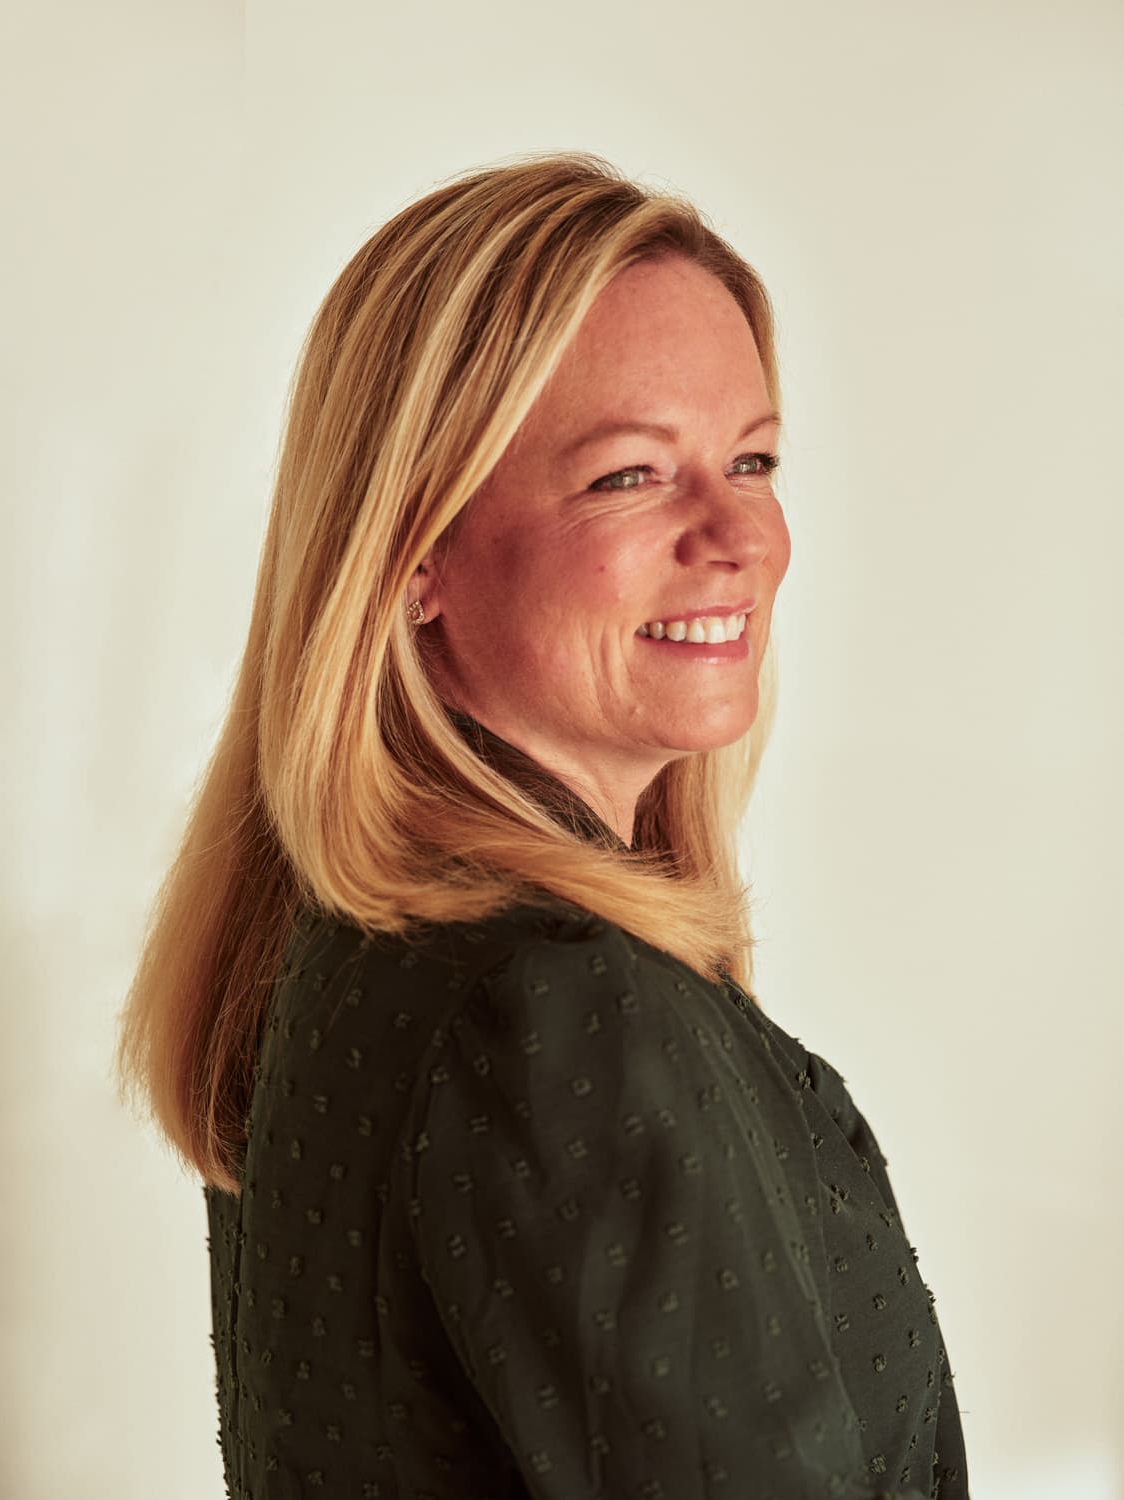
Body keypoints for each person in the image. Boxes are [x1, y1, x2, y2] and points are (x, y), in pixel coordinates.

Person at [115, 150, 970, 1498]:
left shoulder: (353, 944)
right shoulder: (562, 1013)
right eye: (630, 476)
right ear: (414, 556)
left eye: (750, 458)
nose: (738, 534)